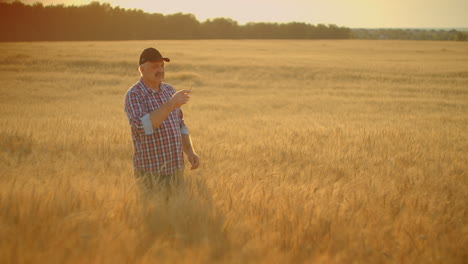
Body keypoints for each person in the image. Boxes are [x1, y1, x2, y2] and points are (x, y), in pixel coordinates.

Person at [125, 47, 200, 189]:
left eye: (162, 66)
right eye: (154, 67)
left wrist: (190, 152)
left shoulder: (169, 90)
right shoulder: (134, 94)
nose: (160, 70)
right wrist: (171, 104)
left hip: (176, 172)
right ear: (142, 69)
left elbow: (180, 125)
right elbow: (143, 127)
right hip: (151, 175)